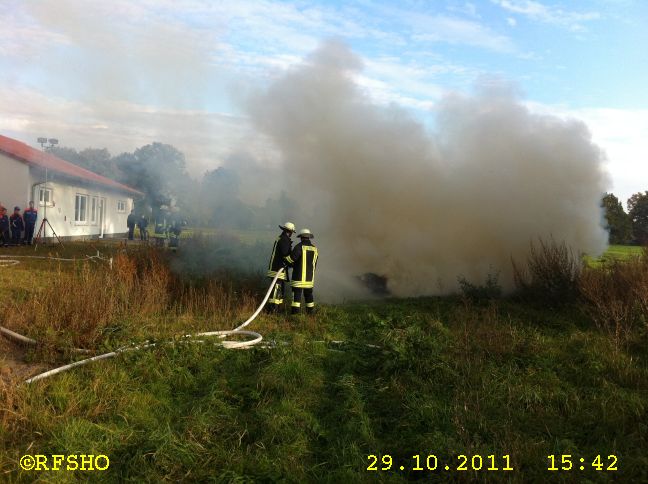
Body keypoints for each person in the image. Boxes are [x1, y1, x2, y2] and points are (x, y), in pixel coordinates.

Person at [266, 221, 295, 313]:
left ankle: (277, 309)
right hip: (277, 269)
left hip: (276, 268)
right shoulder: (284, 240)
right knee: (276, 290)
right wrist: (292, 263)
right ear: (289, 232)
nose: (291, 235)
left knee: (279, 290)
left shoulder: (281, 238)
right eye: (291, 233)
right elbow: (285, 255)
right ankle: (273, 310)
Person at [289, 228, 319, 315]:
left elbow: (291, 259)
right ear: (309, 237)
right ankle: (311, 313)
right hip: (309, 279)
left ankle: (295, 315)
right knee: (309, 296)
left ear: (301, 237)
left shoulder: (299, 247)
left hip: (298, 278)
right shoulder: (315, 249)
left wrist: (286, 262)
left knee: (296, 297)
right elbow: (314, 264)